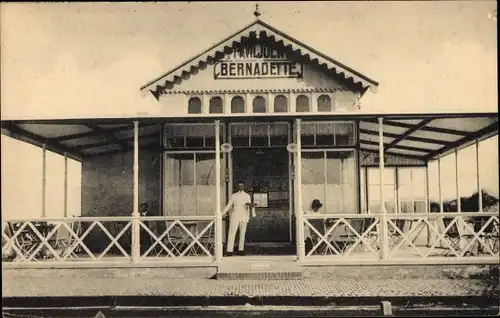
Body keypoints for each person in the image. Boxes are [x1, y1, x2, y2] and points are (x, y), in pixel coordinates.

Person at [222, 181, 257, 256]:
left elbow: (250, 205)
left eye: (242, 186)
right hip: (235, 216)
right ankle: (229, 250)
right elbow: (229, 205)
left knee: (242, 234)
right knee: (232, 233)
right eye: (239, 186)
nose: (241, 187)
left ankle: (241, 250)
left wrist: (252, 209)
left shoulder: (247, 196)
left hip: (244, 216)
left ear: (244, 187)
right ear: (237, 187)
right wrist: (222, 213)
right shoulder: (234, 195)